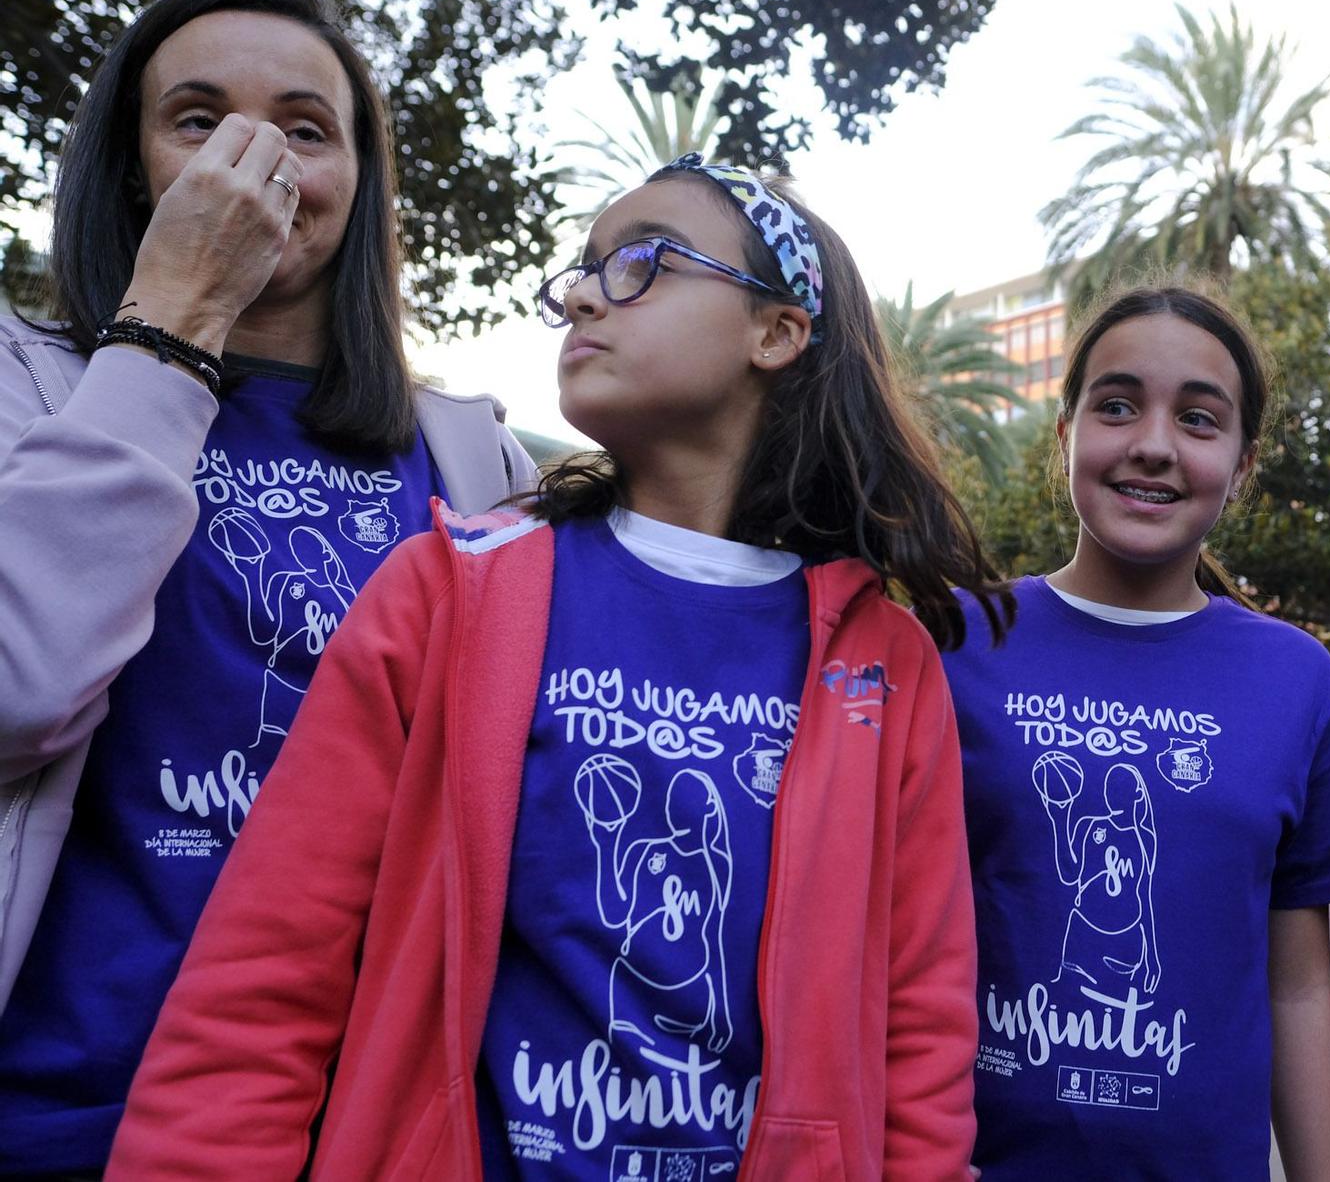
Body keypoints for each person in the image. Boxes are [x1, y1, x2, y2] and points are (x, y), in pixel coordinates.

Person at [109, 156, 1010, 1179]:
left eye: (642, 262)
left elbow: (919, 1036)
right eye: (580, 269)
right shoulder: (446, 593)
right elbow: (263, 978)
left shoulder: (882, 664)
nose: (583, 291)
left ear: (776, 331)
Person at [0, 0, 532, 1173]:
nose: (256, 154)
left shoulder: (472, 457)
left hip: (358, 1128)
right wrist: (175, 315)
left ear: (360, 179)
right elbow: (16, 689)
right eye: (198, 118)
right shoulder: (27, 386)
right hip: (59, 1108)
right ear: (134, 165)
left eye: (306, 127)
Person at [944, 286, 1330, 1180]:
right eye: (1116, 405)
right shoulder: (953, 639)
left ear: (1242, 460)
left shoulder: (1294, 678)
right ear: (1064, 433)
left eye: (1197, 418)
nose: (1152, 443)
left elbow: (1296, 987)